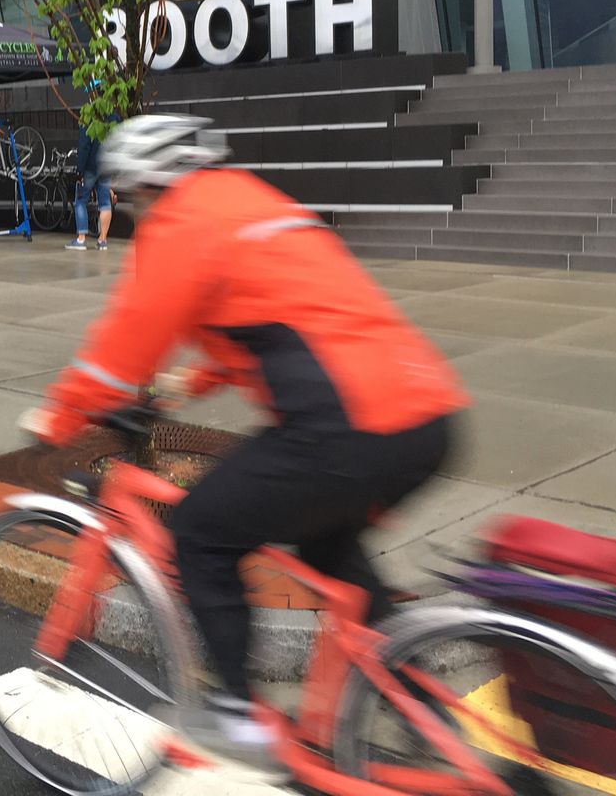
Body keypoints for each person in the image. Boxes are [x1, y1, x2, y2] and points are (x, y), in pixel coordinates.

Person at [23, 113, 467, 775]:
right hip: (427, 419)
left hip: (345, 429)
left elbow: (123, 348)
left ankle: (236, 715)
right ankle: (431, 720)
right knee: (328, 543)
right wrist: (184, 386)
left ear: (152, 184)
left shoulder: (182, 222)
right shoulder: (262, 206)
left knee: (202, 532)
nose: (136, 208)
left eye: (134, 194)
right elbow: (274, 323)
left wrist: (57, 419)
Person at [65, 121, 113, 251]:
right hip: (106, 166)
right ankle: (103, 240)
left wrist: (80, 170)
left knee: (81, 201)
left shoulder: (88, 119)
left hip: (90, 167)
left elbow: (84, 145)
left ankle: (81, 239)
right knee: (105, 203)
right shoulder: (112, 118)